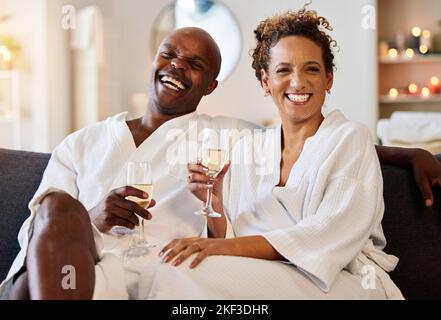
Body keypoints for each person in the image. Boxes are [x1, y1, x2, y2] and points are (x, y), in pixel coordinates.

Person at [0, 24, 439, 300]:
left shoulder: (226, 135)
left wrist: (409, 152)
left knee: (160, 277)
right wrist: (90, 217)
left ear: (209, 86)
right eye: (169, 54)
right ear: (267, 81)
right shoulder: (81, 142)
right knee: (57, 210)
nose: (176, 67)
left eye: (194, 64)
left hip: (157, 267)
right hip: (82, 261)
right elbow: (37, 229)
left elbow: (317, 140)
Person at [153, 9, 411, 300]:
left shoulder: (351, 138)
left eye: (311, 69)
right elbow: (232, 237)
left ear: (328, 79)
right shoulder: (249, 148)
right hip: (267, 276)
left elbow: (326, 233)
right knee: (175, 268)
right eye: (283, 70)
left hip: (342, 280)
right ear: (266, 81)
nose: (298, 82)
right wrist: (216, 201)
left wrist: (217, 248)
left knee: (184, 272)